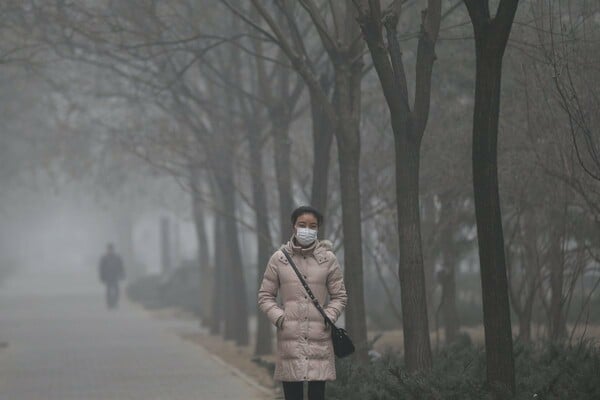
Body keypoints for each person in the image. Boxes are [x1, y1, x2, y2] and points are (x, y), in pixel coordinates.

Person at [258, 206, 347, 400]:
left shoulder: (328, 259)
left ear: (318, 229)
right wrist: (280, 318)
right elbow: (265, 295)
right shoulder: (279, 259)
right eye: (302, 224)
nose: (307, 229)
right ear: (294, 227)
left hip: (319, 338)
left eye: (312, 226)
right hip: (290, 337)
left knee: (317, 395)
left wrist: (329, 316)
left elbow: (340, 296)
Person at [98, 243, 125, 309]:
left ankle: (115, 303)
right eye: (109, 249)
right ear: (107, 250)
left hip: (115, 276)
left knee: (117, 291)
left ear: (113, 249)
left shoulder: (117, 257)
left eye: (111, 249)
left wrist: (122, 274)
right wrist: (102, 277)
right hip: (108, 277)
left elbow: (121, 267)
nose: (110, 250)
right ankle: (109, 304)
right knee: (108, 291)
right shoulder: (104, 258)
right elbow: (101, 268)